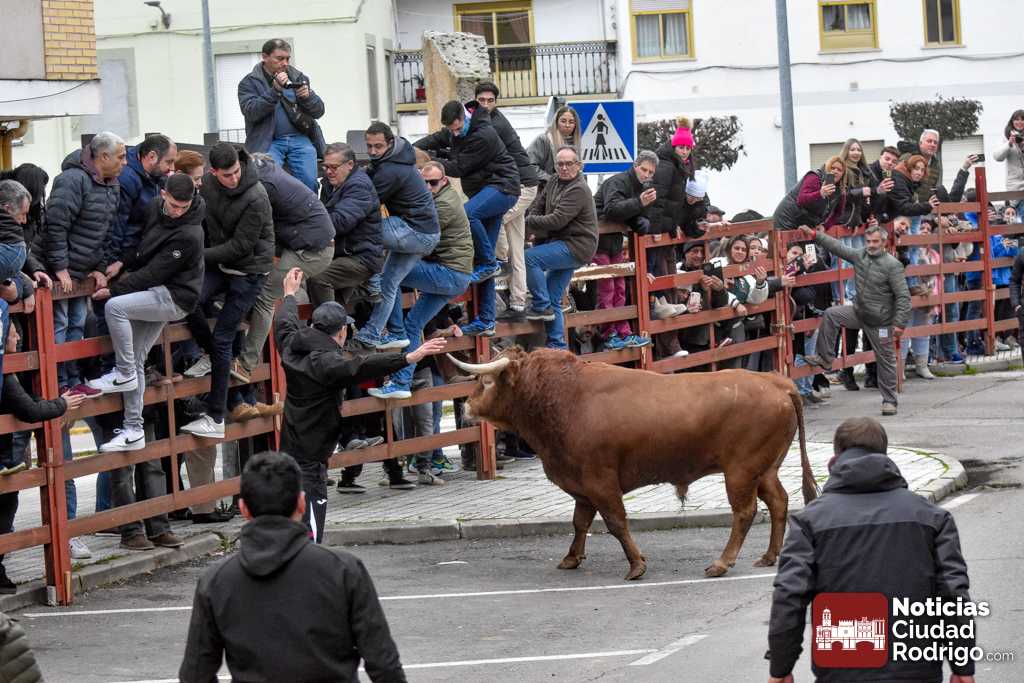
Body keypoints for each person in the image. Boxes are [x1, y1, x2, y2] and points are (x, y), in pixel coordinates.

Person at [767, 417, 975, 683]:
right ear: (885, 456)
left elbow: (789, 596)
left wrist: (781, 668)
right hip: (916, 670)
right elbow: (953, 596)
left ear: (835, 459)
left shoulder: (809, 521)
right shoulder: (932, 517)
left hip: (841, 669)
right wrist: (962, 666)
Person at [179, 451, 407, 683]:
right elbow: (385, 666)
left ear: (244, 508)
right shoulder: (343, 570)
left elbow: (195, 674)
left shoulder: (217, 581)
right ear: (301, 503)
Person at [274, 268, 447, 542]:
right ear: (342, 331)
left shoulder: (291, 347)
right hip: (311, 460)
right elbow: (362, 366)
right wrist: (408, 357)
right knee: (309, 532)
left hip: (289, 451)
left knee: (289, 523)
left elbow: (284, 323)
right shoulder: (328, 363)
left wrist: (289, 294)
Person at [85, 174, 203, 550]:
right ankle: (134, 528)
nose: (178, 211)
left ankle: (154, 524)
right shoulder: (154, 211)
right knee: (126, 455)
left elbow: (156, 270)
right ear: (163, 195)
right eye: (174, 205)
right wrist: (120, 265)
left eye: (184, 207)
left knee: (118, 311)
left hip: (164, 298)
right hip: (146, 301)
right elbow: (141, 250)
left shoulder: (189, 233)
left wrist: (114, 288)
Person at [181, 143, 274, 439]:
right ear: (213, 172)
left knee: (224, 338)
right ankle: (212, 356)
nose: (233, 179)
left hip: (249, 270)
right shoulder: (208, 185)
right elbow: (200, 218)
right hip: (222, 265)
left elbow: (241, 247)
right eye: (226, 175)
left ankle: (216, 416)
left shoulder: (256, 195)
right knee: (188, 298)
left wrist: (197, 255)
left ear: (240, 165)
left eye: (236, 172)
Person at [367, 161, 472, 410]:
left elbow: (417, 237)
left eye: (432, 183)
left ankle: (394, 332)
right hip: (455, 276)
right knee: (414, 324)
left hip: (449, 273)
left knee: (388, 276)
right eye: (423, 182)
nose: (427, 187)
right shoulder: (439, 199)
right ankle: (401, 383)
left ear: (444, 181)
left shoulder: (442, 206)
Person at [415, 99, 519, 335]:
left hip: (503, 187)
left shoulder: (483, 135)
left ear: (464, 118)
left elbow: (459, 167)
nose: (454, 133)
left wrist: (428, 161)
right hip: (485, 191)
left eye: (457, 128)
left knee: (467, 214)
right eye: (451, 129)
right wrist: (411, 150)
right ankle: (487, 320)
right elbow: (435, 139)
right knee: (484, 259)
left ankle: (489, 263)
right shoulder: (458, 129)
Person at [234, 154, 335, 383]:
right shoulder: (264, 171)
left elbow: (256, 225)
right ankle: (240, 309)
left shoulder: (263, 185)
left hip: (312, 250)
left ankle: (246, 365)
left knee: (266, 297)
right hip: (304, 241)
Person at [0, 322, 87, 588]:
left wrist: (50, 403)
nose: (18, 336)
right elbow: (29, 410)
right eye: (13, 332)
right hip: (5, 456)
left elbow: (30, 400)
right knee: (4, 509)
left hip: (7, 454)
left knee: (6, 508)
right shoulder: (6, 373)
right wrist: (62, 404)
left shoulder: (14, 368)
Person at [43, 132, 126, 398]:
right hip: (61, 271)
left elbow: (105, 231)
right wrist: (60, 267)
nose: (125, 162)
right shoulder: (72, 180)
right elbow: (55, 225)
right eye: (121, 157)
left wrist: (99, 267)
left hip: (81, 270)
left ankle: (73, 378)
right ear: (104, 156)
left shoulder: (112, 185)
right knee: (60, 323)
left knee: (77, 324)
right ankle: (58, 382)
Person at [801, 225, 912, 416]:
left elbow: (903, 296)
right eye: (868, 241)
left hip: (881, 321)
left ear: (884, 242)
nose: (871, 245)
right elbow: (837, 247)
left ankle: (889, 401)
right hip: (859, 312)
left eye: (875, 241)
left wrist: (899, 323)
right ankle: (825, 358)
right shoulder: (860, 255)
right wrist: (814, 235)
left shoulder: (893, 265)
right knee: (832, 314)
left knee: (885, 361)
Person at [352, 122, 440, 349]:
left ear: (390, 143)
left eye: (378, 146)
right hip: (424, 234)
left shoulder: (392, 170)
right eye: (369, 146)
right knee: (389, 283)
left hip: (414, 231)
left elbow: (366, 205)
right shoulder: (393, 160)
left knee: (362, 231)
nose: (372, 151)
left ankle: (371, 282)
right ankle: (382, 333)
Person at [474, 82, 541, 318]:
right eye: (481, 100)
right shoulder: (487, 121)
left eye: (490, 100)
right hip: (516, 184)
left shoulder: (494, 124)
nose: (485, 104)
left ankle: (498, 260)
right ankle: (518, 304)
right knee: (518, 248)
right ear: (475, 100)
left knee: (496, 219)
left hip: (522, 185)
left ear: (496, 102)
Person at [524, 146, 598, 349]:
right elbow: (538, 205)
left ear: (579, 165)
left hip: (577, 245)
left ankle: (541, 304)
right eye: (560, 164)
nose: (564, 168)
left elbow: (557, 220)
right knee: (554, 296)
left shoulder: (579, 189)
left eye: (569, 163)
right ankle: (557, 346)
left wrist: (529, 221)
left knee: (529, 258)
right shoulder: (554, 180)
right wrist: (533, 218)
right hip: (561, 242)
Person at [237, 38, 326, 191]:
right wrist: (275, 91)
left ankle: (307, 207)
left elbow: (319, 111)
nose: (285, 63)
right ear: (264, 57)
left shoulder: (298, 77)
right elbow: (251, 112)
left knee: (309, 182)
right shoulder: (249, 82)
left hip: (300, 139)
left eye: (287, 59)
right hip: (268, 141)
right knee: (268, 181)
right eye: (279, 58)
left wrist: (308, 97)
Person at [592, 150, 658, 350]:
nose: (646, 174)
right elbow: (612, 209)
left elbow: (632, 214)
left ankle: (624, 333)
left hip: (614, 242)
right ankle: (608, 334)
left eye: (650, 172)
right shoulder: (618, 181)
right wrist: (640, 203)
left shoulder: (642, 188)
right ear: (635, 166)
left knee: (620, 288)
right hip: (599, 241)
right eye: (644, 169)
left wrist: (642, 221)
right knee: (607, 289)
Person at [308, 142, 383, 307]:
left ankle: (329, 321)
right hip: (343, 253)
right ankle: (337, 321)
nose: (328, 171)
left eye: (334, 167)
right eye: (325, 166)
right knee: (335, 300)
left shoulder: (359, 186)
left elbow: (340, 222)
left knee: (318, 278)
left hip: (360, 257)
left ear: (350, 164)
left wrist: (308, 223)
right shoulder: (330, 184)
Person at [106, 133, 177, 278]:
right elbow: (117, 224)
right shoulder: (127, 179)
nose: (172, 168)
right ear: (151, 156)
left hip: (138, 251)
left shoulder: (156, 174)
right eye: (169, 162)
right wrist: (116, 261)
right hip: (124, 257)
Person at [528, 105, 580, 184]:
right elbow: (530, 166)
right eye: (563, 121)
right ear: (556, 122)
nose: (567, 125)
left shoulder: (576, 144)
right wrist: (552, 180)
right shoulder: (543, 140)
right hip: (546, 188)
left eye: (571, 122)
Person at [0, 181, 30, 286]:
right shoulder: (15, 251)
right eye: (23, 214)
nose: (24, 220)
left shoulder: (13, 251)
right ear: (7, 209)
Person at [994, 110, 1024, 209]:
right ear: (1012, 121)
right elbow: (997, 157)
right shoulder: (1006, 137)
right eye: (1017, 119)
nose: (1020, 122)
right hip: (1015, 184)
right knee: (1017, 211)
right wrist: (1009, 144)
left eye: (1022, 119)